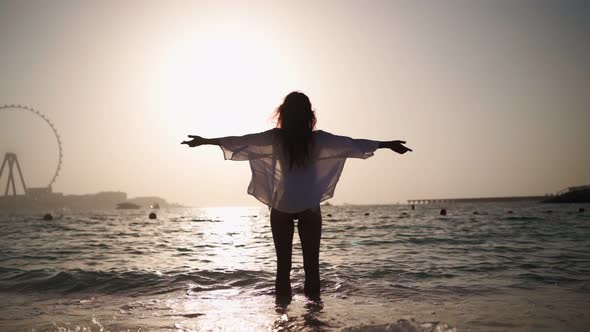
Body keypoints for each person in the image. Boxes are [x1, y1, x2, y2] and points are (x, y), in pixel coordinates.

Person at [181, 91, 412, 300]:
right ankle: (314, 317)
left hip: (281, 205)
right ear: (309, 115)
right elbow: (352, 145)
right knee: (312, 266)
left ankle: (283, 317)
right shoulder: (318, 139)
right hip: (310, 207)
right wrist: (386, 144)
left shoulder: (275, 137)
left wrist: (206, 141)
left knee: (283, 267)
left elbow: (243, 141)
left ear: (283, 113)